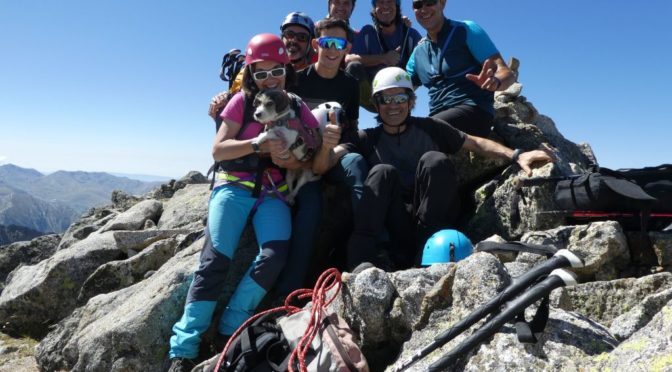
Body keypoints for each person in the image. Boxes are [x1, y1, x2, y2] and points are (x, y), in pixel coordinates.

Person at [167, 34, 320, 372]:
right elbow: (219, 150)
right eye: (261, 73)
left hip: (271, 193)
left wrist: (295, 160)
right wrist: (259, 145)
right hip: (233, 186)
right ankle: (184, 345)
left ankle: (229, 329)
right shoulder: (240, 102)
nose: (270, 79)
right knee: (215, 260)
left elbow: (311, 149)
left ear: (286, 68)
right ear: (250, 74)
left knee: (275, 253)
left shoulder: (296, 105)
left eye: (276, 71)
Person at [313, 67, 553, 271]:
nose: (393, 105)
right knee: (382, 172)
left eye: (400, 98)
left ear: (411, 101)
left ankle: (426, 255)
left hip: (431, 222)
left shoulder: (431, 128)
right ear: (377, 104)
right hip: (394, 222)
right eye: (386, 99)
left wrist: (516, 155)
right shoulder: (366, 138)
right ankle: (363, 261)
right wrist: (326, 146)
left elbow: (475, 142)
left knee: (434, 160)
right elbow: (323, 165)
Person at [273, 17, 368, 295]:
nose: (331, 49)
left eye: (338, 44)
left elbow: (351, 129)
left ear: (345, 47)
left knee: (358, 165)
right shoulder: (297, 81)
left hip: (334, 154)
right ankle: (289, 292)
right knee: (311, 207)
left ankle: (363, 256)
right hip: (301, 163)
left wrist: (336, 151)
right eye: (326, 43)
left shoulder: (349, 85)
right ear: (317, 44)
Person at [406, 0, 515, 137]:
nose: (424, 9)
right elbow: (400, 88)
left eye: (430, 2)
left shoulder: (466, 29)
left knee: (420, 133)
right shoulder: (418, 52)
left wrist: (496, 82)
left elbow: (506, 72)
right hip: (438, 117)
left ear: (442, 3)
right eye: (418, 5)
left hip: (474, 110)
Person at [208, 11, 317, 124]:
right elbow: (239, 98)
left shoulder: (319, 71)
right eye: (289, 34)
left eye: (302, 37)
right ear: (282, 37)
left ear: (311, 42)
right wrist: (224, 99)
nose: (294, 40)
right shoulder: (252, 68)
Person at [350, 0, 423, 102]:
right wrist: (383, 58)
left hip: (401, 98)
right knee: (353, 67)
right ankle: (352, 115)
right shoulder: (368, 32)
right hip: (373, 96)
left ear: (397, 7)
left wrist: (407, 92)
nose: (385, 6)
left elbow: (426, 62)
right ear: (375, 9)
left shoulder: (410, 34)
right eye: (380, 2)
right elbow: (349, 60)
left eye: (389, 1)